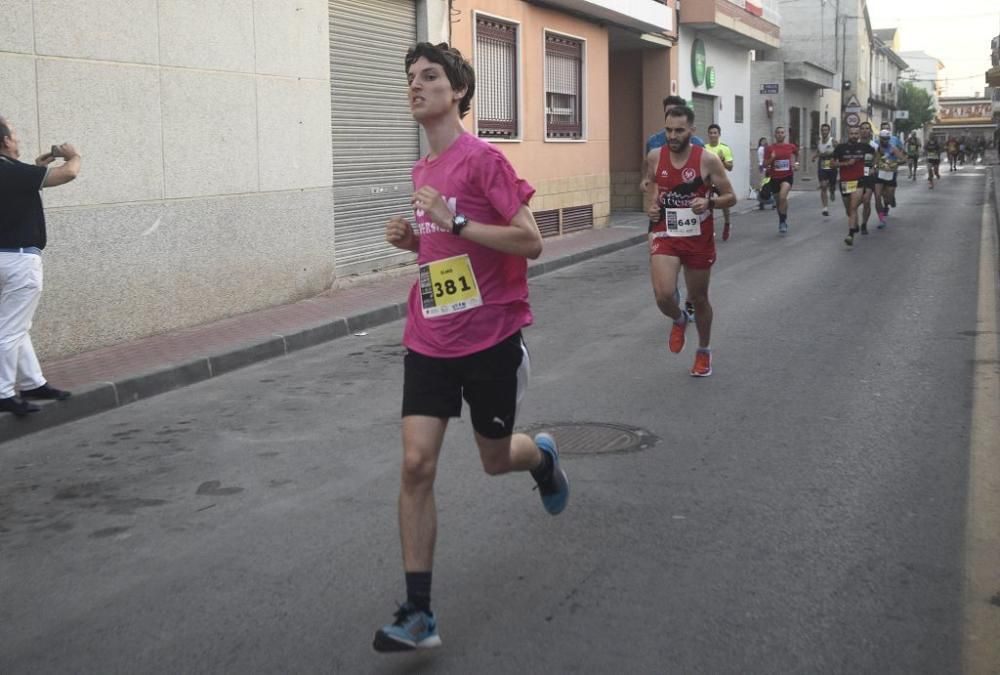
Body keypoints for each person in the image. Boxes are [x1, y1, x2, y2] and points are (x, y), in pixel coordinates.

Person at [372, 43, 569, 653]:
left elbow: (530, 241)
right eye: (410, 78)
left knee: (492, 459)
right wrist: (414, 242)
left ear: (457, 90)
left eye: (429, 76)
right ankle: (419, 613)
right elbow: (445, 254)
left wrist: (453, 221)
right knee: (415, 464)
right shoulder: (422, 171)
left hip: (489, 338)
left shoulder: (483, 161)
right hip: (430, 334)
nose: (416, 86)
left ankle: (539, 458)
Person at [644, 105, 736, 377]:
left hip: (698, 237)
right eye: (668, 130)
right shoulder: (654, 156)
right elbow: (654, 185)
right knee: (662, 294)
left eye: (679, 131)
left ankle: (703, 351)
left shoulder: (707, 159)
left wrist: (709, 201)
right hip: (666, 232)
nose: (672, 136)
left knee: (699, 297)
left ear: (692, 131)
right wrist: (652, 206)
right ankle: (679, 318)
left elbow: (730, 197)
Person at [0, 116, 80, 416]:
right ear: (5, 141)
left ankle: (33, 383)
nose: (17, 139)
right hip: (19, 260)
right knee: (9, 328)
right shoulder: (11, 171)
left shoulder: (16, 173)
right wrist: (74, 155)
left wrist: (37, 166)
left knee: (17, 325)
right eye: (15, 135)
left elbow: (22, 185)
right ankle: (3, 392)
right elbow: (68, 173)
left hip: (3, 258)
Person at [640, 95, 705, 194]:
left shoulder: (698, 143)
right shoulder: (653, 141)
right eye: (668, 112)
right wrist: (645, 178)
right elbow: (647, 162)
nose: (672, 115)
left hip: (689, 196)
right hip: (662, 198)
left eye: (676, 112)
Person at [832, 125, 870, 247]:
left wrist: (869, 171)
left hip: (859, 181)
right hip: (845, 182)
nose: (854, 136)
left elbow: (872, 160)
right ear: (848, 134)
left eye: (856, 133)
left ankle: (850, 235)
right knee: (849, 209)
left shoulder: (865, 147)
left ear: (859, 135)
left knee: (853, 207)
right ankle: (855, 224)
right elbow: (832, 164)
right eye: (852, 133)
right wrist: (846, 163)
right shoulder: (840, 148)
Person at [763, 126, 798, 234]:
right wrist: (772, 158)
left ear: (785, 135)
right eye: (778, 132)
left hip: (787, 176)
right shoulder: (769, 148)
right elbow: (765, 164)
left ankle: (782, 222)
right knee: (779, 202)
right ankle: (782, 220)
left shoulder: (790, 146)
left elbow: (797, 155)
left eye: (782, 132)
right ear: (775, 135)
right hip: (774, 178)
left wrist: (796, 164)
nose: (780, 134)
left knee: (783, 197)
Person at [705, 124, 734, 241]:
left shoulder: (725, 148)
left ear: (719, 134)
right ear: (708, 134)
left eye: (715, 133)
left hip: (720, 180)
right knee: (708, 205)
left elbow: (730, 167)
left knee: (725, 204)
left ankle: (727, 224)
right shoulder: (703, 148)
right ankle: (709, 230)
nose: (713, 135)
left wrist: (722, 160)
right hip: (707, 181)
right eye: (711, 133)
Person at [873, 129, 907, 228]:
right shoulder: (876, 148)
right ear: (880, 139)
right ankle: (881, 219)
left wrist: (895, 163)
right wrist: (874, 166)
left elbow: (903, 159)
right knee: (877, 196)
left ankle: (891, 200)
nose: (885, 141)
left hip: (891, 174)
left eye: (887, 139)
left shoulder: (893, 149)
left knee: (888, 196)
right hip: (879, 174)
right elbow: (873, 161)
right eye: (883, 139)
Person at [856, 122, 878, 235]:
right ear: (860, 131)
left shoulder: (874, 146)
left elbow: (877, 159)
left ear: (870, 131)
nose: (865, 130)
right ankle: (854, 218)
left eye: (867, 129)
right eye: (863, 128)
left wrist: (874, 167)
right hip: (855, 176)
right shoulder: (854, 144)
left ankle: (864, 224)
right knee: (853, 202)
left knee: (866, 200)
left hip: (868, 175)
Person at [813, 123, 837, 216]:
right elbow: (819, 150)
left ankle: (832, 190)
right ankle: (825, 208)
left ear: (829, 131)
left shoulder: (833, 141)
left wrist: (831, 153)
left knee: (832, 184)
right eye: (822, 130)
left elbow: (838, 150)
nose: (824, 132)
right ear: (821, 131)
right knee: (823, 185)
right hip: (822, 164)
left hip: (831, 164)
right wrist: (814, 157)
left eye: (826, 130)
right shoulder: (818, 141)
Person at [756, 137, 775, 210]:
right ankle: (770, 203)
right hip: (765, 167)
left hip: (763, 167)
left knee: (763, 185)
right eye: (763, 141)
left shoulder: (761, 148)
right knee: (768, 185)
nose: (765, 142)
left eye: (765, 141)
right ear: (760, 142)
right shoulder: (762, 149)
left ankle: (761, 202)